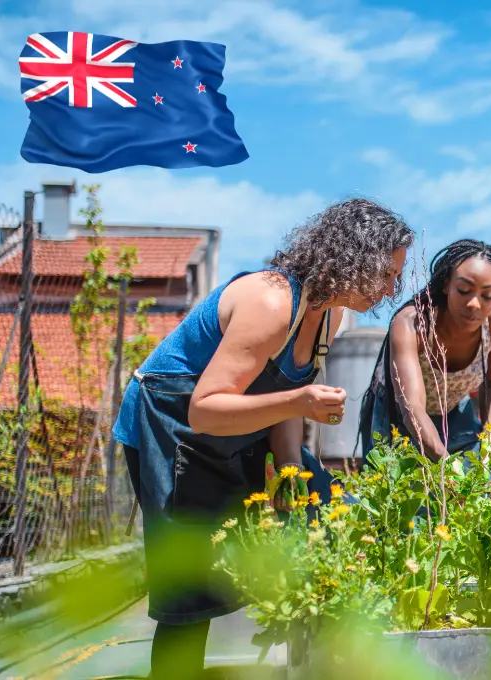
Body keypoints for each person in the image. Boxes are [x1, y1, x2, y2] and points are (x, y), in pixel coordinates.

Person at [111, 198, 414, 679]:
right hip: (173, 428)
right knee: (188, 589)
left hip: (236, 429)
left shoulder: (329, 317)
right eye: (386, 274)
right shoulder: (271, 302)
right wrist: (300, 403)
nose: (392, 288)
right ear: (356, 258)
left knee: (323, 510)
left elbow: (284, 404)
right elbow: (205, 409)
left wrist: (291, 475)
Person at [358, 239, 491, 469]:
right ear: (445, 285)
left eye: (487, 295)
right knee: (402, 499)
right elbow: (412, 408)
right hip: (398, 417)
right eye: (464, 290)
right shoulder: (413, 324)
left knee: (481, 486)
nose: (474, 304)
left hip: (454, 411)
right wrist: (447, 467)